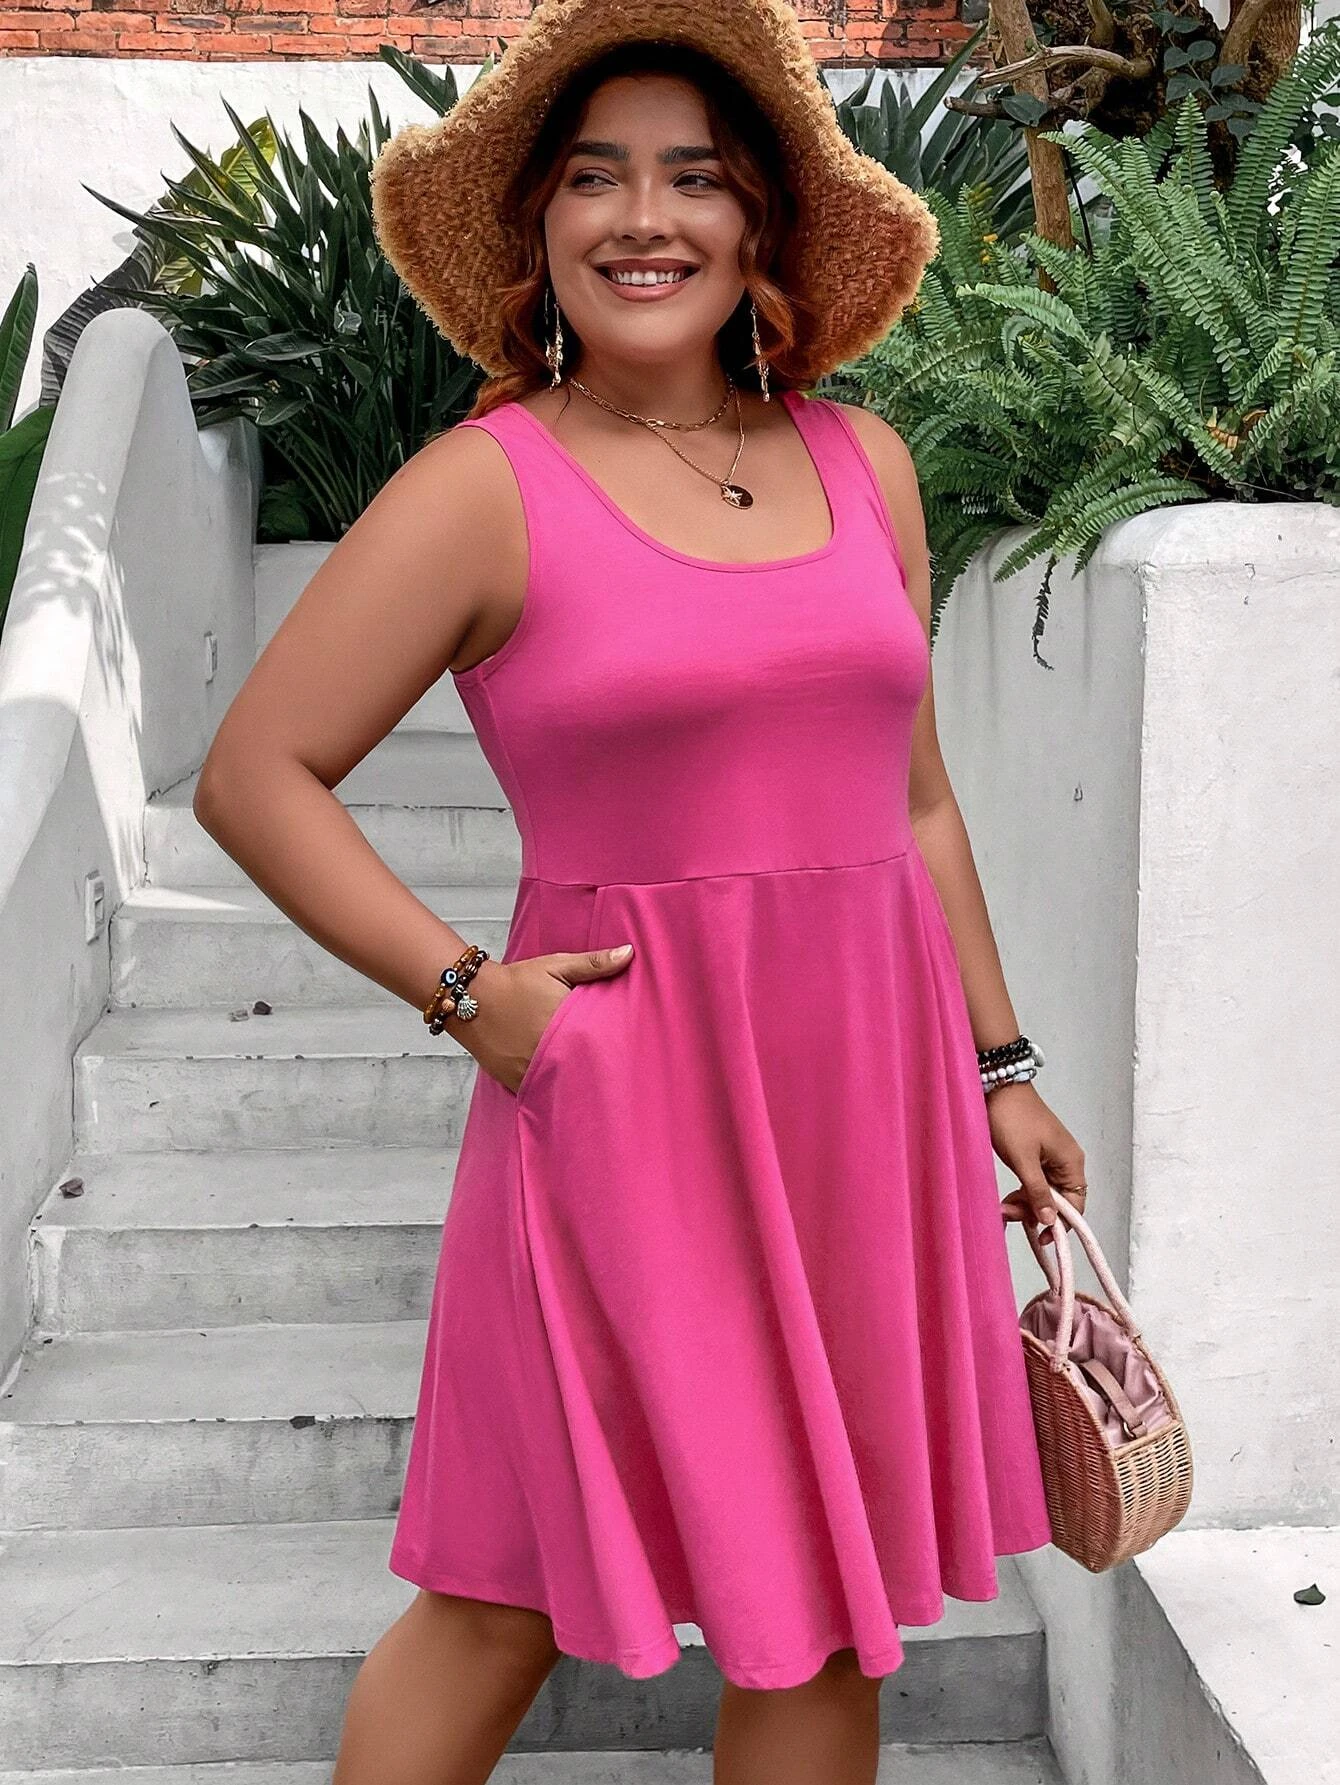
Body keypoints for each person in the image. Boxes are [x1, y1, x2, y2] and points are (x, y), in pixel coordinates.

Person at [193, 2, 1089, 1780]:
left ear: (760, 225)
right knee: (503, 1592)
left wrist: (999, 1069)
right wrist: (471, 998)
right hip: (621, 1093)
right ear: (539, 229)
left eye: (695, 176)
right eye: (596, 179)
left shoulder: (863, 462)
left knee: (829, 1594)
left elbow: (914, 797)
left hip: (858, 1097)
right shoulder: (483, 490)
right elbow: (255, 775)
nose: (643, 218)